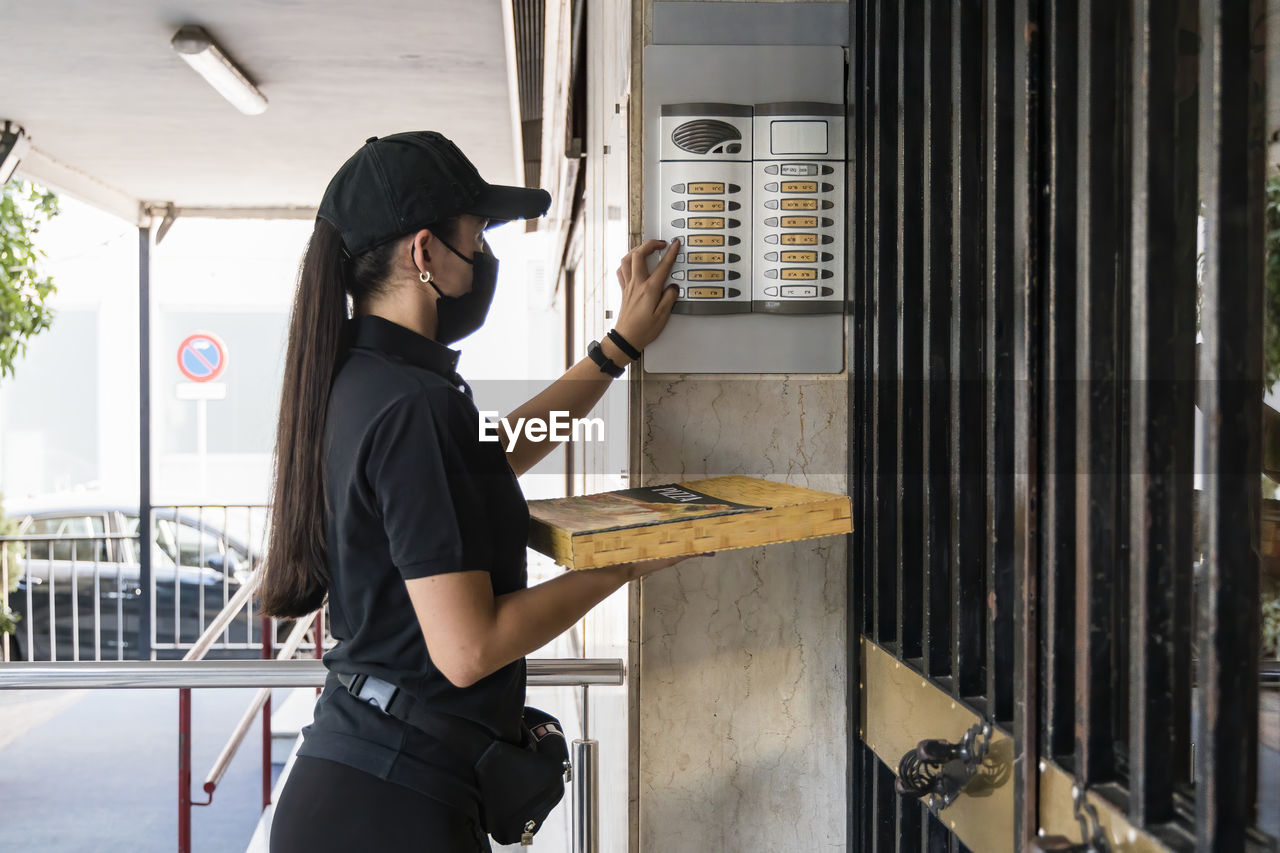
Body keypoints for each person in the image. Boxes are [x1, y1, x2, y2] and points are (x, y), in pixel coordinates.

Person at [258, 130, 711, 852]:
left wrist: (616, 348)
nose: (485, 253)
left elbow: (488, 460)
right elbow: (469, 648)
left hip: (365, 783)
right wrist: (625, 560)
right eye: (477, 233)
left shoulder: (362, 380)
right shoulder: (413, 403)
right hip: (389, 810)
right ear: (424, 252)